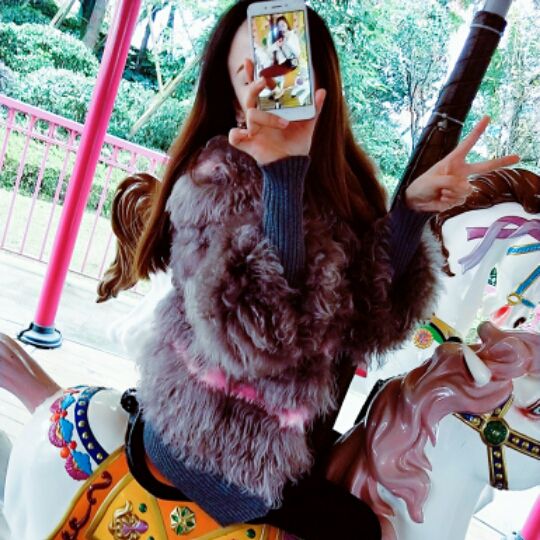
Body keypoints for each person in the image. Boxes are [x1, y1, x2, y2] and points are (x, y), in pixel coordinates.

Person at [121, 1, 519, 538]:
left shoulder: (345, 184)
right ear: (233, 94)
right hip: (210, 436)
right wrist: (281, 180)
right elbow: (265, 338)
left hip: (296, 439)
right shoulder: (212, 181)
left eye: (286, 66)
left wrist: (410, 213)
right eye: (248, 73)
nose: (269, 82)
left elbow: (370, 324)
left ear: (318, 80)